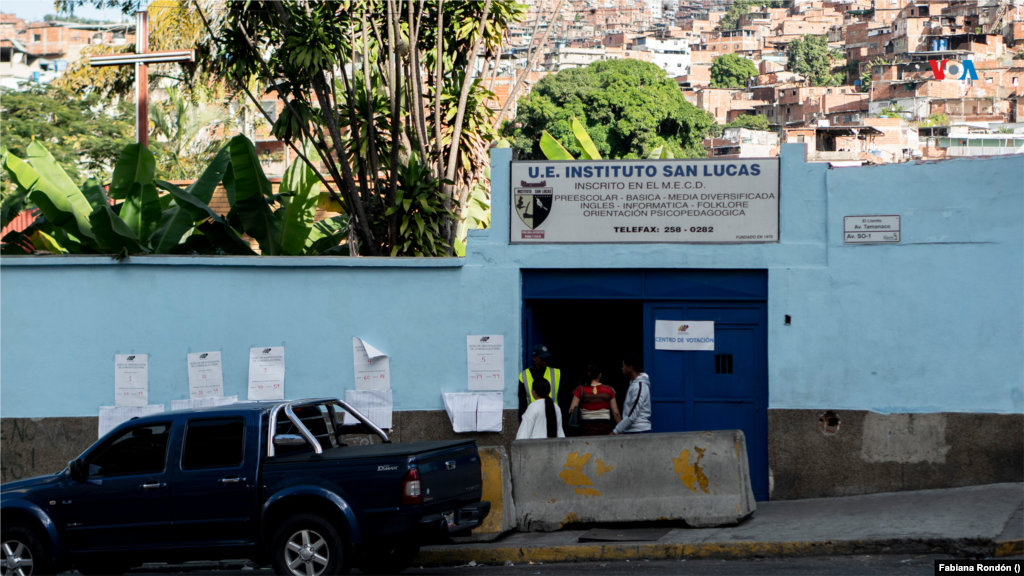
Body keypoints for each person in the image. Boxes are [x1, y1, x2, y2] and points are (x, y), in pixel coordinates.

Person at [568, 364, 621, 436]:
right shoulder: (609, 389)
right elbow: (616, 413)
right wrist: (620, 429)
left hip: (586, 428)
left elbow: (572, 410)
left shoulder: (580, 389)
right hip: (605, 427)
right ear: (599, 375)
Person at [518, 344, 563, 423]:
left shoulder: (556, 373)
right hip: (533, 418)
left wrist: (563, 421)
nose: (545, 360)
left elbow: (563, 400)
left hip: (552, 417)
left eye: (547, 358)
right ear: (534, 358)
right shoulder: (524, 375)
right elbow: (522, 403)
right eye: (543, 358)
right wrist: (522, 421)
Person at [613, 352, 652, 435]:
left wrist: (615, 431)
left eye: (623, 366)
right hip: (632, 430)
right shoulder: (634, 384)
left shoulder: (639, 386)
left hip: (638, 430)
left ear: (630, 368)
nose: (622, 368)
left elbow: (632, 415)